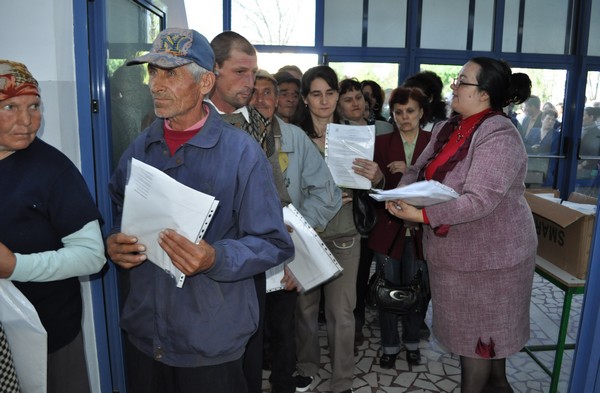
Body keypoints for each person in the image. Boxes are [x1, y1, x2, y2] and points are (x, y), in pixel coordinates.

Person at [106, 28, 294, 393]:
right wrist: (113, 240)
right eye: (152, 72)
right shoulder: (141, 148)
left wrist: (215, 258)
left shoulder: (242, 154)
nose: (155, 85)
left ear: (205, 81)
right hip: (146, 335)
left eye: (170, 73)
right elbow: (118, 208)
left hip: (211, 341)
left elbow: (274, 243)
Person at [385, 57, 537, 392]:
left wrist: (421, 215)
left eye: (462, 81)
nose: (454, 85)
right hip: (454, 256)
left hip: (492, 265)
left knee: (479, 351)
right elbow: (417, 169)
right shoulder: (447, 128)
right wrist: (399, 193)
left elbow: (480, 200)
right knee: (485, 353)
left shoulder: (499, 135)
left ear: (484, 95)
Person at [0, 59, 106, 393]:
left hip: (48, 336)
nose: (26, 121)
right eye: (9, 107)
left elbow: (92, 256)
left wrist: (17, 265)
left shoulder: (53, 170)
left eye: (34, 106)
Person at [250, 69, 341, 393]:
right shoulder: (228, 137)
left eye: (268, 93)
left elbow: (327, 194)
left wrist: (296, 231)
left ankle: (283, 383)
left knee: (284, 324)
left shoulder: (294, 138)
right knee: (247, 327)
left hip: (284, 248)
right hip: (241, 253)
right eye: (254, 92)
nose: (261, 99)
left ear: (278, 100)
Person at [208, 31, 284, 393]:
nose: (250, 83)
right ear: (213, 69)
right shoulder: (191, 121)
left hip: (252, 258)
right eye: (240, 72)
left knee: (251, 355)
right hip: (207, 261)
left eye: (253, 74)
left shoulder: (259, 122)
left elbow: (275, 193)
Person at [294, 65, 361, 393]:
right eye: (316, 94)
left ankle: (342, 381)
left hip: (346, 234)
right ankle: (307, 366)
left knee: (341, 312)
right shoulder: (293, 137)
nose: (324, 101)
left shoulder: (354, 134)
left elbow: (370, 183)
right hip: (306, 234)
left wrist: (374, 177)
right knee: (305, 308)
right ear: (305, 99)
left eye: (330, 93)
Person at [362, 87, 432, 368]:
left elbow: (441, 185)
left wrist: (410, 171)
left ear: (421, 113)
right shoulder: (381, 143)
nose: (405, 117)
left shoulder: (434, 142)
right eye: (399, 112)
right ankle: (390, 346)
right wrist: (380, 179)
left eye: (411, 111)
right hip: (388, 228)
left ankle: (412, 343)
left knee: (418, 290)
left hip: (421, 231)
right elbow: (373, 190)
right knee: (387, 292)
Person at [334, 77, 390, 353]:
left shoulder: (380, 132)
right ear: (339, 106)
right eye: (348, 99)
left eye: (359, 97)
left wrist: (379, 179)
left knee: (361, 274)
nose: (355, 103)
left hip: (372, 214)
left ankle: (355, 327)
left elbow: (387, 179)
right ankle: (343, 327)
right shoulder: (331, 134)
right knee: (345, 278)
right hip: (341, 214)